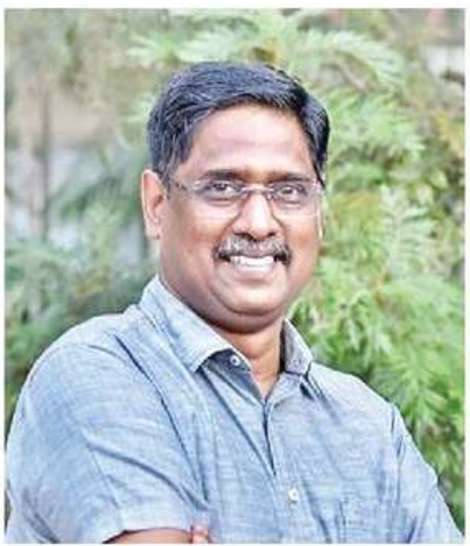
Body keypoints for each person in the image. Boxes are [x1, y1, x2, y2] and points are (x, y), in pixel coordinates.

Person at [5, 62, 461, 544]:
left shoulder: (367, 426)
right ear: (157, 205)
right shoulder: (95, 376)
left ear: (318, 213)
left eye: (288, 191)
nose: (259, 223)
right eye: (222, 188)